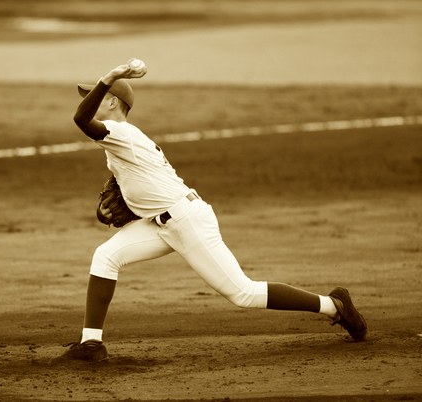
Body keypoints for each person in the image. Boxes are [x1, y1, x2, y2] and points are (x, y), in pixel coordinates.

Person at [49, 59, 367, 365]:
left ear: (113, 102)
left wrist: (110, 76)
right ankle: (91, 344)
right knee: (106, 256)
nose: (91, 97)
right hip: (161, 222)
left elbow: (80, 120)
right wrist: (124, 208)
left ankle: (334, 305)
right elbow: (146, 185)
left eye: (97, 94)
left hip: (188, 222)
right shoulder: (124, 140)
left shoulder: (123, 133)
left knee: (242, 292)